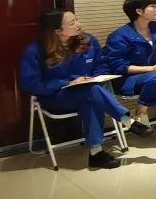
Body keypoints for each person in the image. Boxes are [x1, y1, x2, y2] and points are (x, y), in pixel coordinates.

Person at [20, 10, 138, 169]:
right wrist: (67, 82)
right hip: (55, 97)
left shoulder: (88, 41)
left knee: (91, 96)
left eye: (77, 20)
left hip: (88, 92)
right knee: (91, 92)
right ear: (57, 30)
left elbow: (101, 65)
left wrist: (96, 78)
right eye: (72, 23)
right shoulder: (36, 50)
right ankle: (127, 121)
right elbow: (31, 83)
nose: (79, 24)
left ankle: (96, 153)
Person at [105, 0, 156, 132]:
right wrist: (152, 69)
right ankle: (140, 113)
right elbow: (120, 67)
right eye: (152, 6)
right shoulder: (119, 36)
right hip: (128, 80)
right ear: (139, 11)